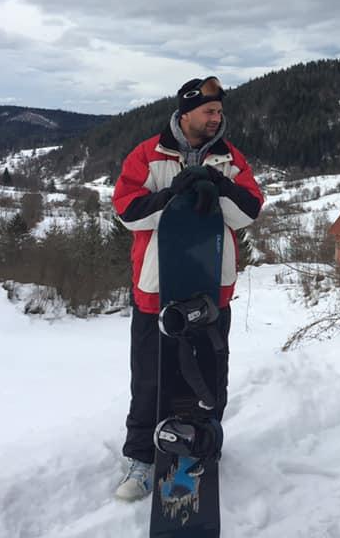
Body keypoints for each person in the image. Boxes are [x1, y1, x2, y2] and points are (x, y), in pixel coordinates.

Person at [111, 76, 263, 501]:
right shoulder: (148, 154)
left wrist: (220, 185)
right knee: (149, 379)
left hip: (211, 288)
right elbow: (127, 211)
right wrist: (172, 197)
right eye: (209, 112)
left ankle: (204, 445)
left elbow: (248, 212)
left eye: (220, 112)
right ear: (186, 112)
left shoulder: (230, 158)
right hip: (157, 290)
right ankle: (141, 460)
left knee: (209, 375)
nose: (217, 119)